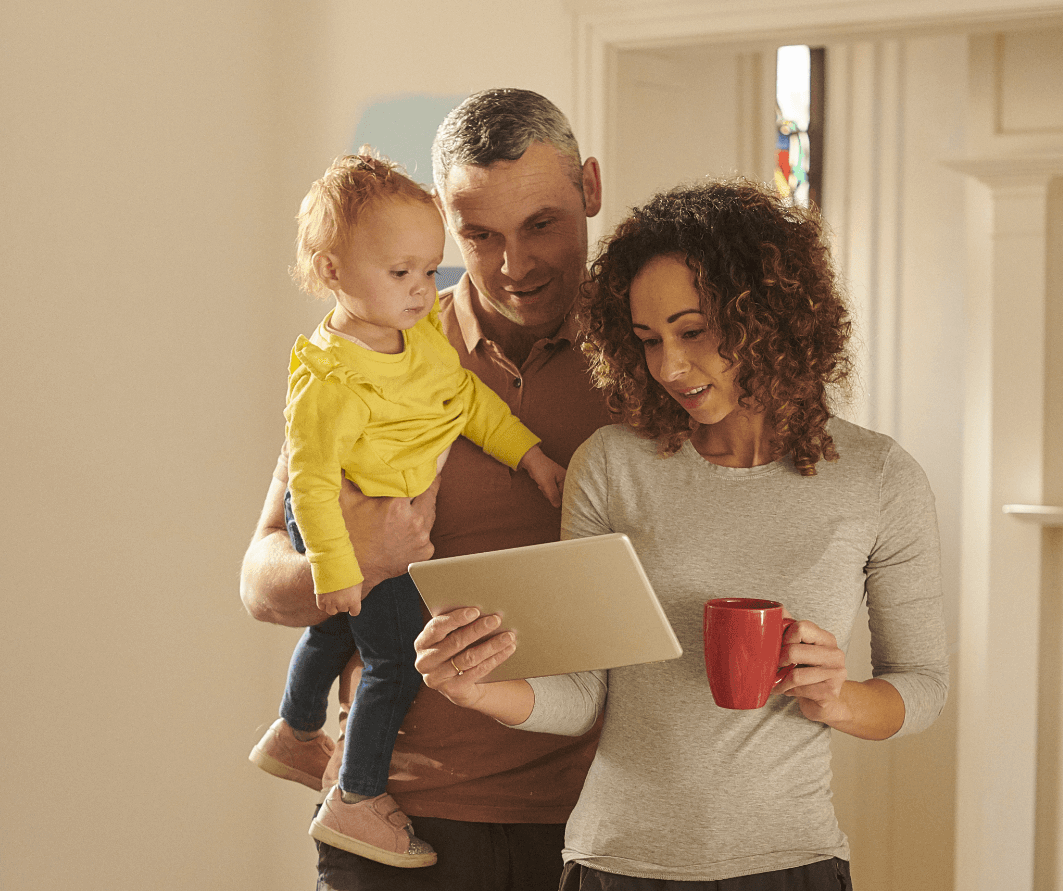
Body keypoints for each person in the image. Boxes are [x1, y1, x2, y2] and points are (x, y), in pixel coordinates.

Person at [414, 178, 950, 890]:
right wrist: (476, 688)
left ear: (770, 315)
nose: (669, 367)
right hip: (612, 861)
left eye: (693, 331)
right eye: (647, 340)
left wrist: (840, 697)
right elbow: (583, 693)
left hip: (789, 862)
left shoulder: (879, 478)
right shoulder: (611, 465)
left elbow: (922, 685)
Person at [240, 88, 611, 891]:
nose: (514, 264)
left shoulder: (656, 357)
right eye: (479, 235)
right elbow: (260, 579)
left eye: (542, 224)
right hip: (400, 820)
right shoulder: (369, 357)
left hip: (602, 820)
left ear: (590, 188)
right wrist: (355, 560)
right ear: (445, 220)